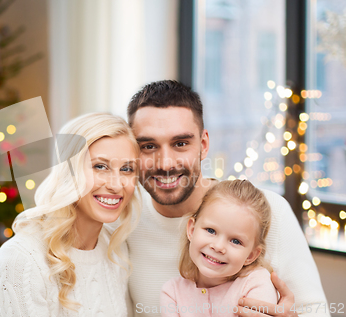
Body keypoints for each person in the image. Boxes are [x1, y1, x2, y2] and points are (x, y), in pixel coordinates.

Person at [124, 80, 329, 317]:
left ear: (203, 145)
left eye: (181, 143)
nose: (166, 163)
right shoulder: (122, 219)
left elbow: (317, 312)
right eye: (148, 146)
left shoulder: (269, 212)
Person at [0, 113, 141, 316]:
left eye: (127, 169)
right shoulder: (21, 258)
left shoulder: (116, 250)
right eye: (100, 166)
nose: (116, 184)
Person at [160, 180, 278, 317]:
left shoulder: (256, 283)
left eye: (235, 241)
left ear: (251, 255)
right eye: (210, 230)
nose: (218, 247)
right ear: (192, 230)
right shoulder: (172, 292)